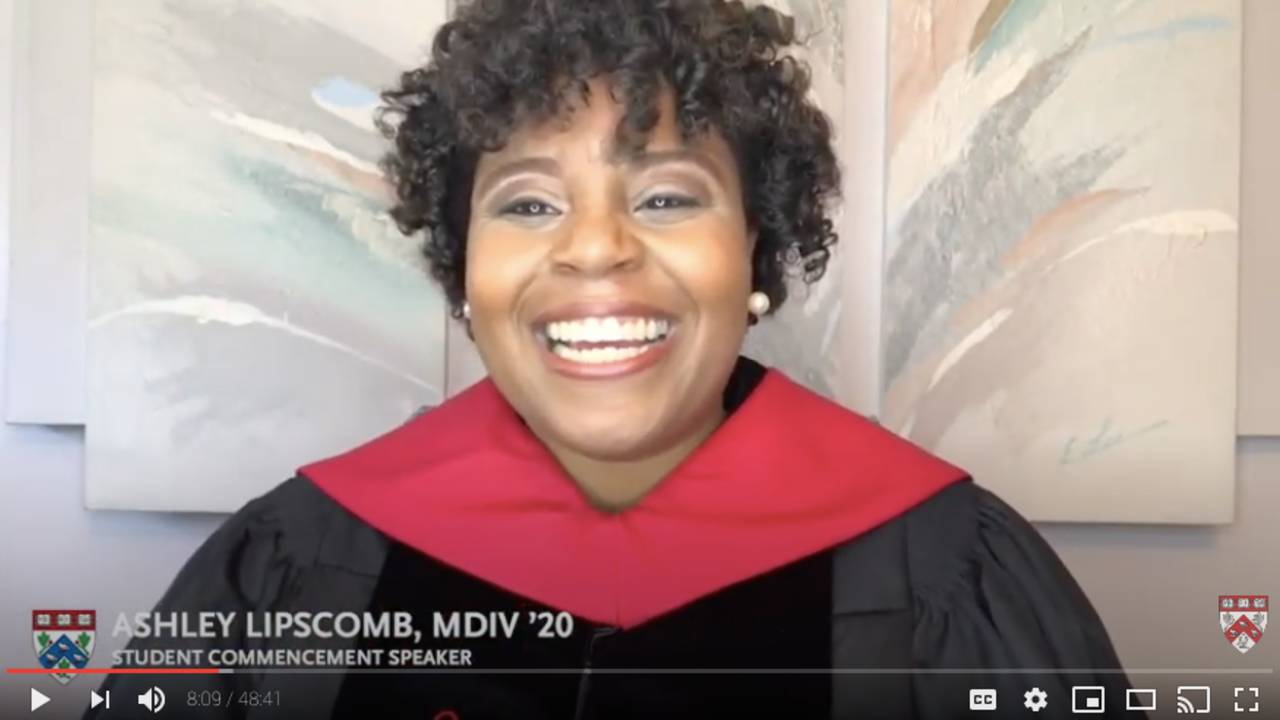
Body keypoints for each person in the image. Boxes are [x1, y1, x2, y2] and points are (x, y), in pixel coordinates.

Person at [89, 0, 1135, 718]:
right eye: (527, 205)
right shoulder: (296, 557)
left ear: (754, 248)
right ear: (465, 267)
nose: (594, 248)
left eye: (667, 195)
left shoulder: (945, 569)